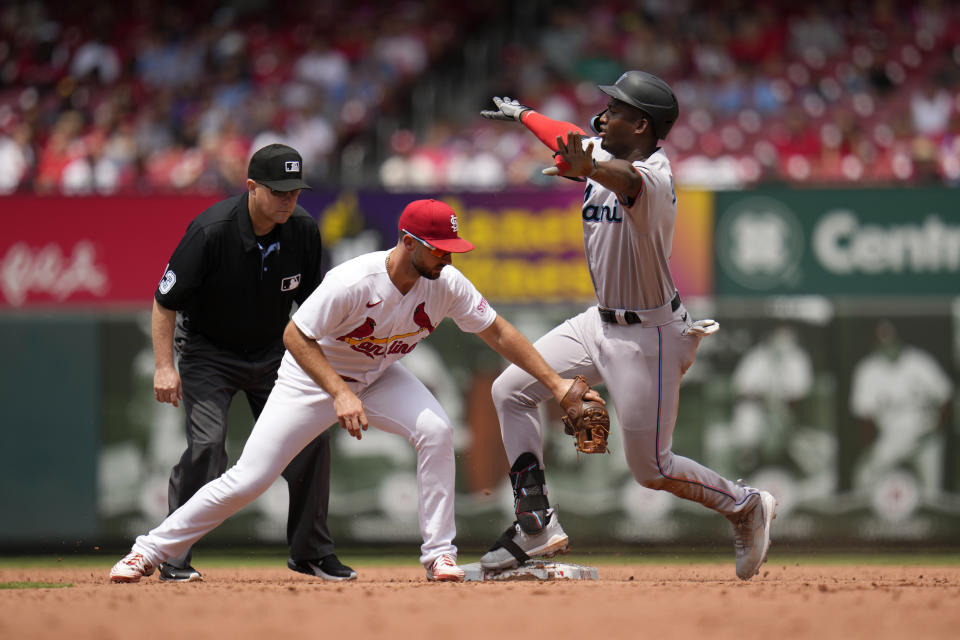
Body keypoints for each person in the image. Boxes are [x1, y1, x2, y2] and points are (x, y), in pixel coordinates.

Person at [110, 198, 602, 583]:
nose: (447, 257)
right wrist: (339, 394)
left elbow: (499, 332)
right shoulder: (354, 281)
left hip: (379, 373)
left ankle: (439, 556)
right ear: (408, 242)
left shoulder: (445, 282)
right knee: (251, 478)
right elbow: (294, 336)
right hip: (312, 379)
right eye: (438, 248)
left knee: (435, 430)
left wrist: (556, 383)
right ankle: (147, 550)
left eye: (450, 248)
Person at [478, 71, 777, 581]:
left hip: (651, 336)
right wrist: (523, 116)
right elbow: (565, 136)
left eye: (615, 107)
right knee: (511, 389)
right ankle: (536, 523)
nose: (603, 113)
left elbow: (626, 180)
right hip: (597, 322)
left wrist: (589, 163)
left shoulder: (654, 178)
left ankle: (745, 505)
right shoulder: (601, 156)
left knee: (651, 469)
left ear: (639, 124)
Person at [149, 143, 355, 582]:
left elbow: (315, 308)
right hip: (209, 353)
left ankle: (311, 552)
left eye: (294, 191)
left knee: (310, 441)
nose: (288, 200)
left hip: (274, 353)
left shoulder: (302, 229)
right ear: (252, 188)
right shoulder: (211, 231)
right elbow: (164, 302)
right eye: (278, 191)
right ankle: (172, 553)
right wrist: (165, 367)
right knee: (208, 447)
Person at [850, 320, 953, 502]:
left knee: (932, 492)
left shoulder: (920, 361)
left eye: (891, 341)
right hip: (893, 435)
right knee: (864, 476)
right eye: (882, 343)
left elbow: (946, 396)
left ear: (899, 340)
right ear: (875, 345)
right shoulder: (867, 370)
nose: (888, 347)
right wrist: (871, 449)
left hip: (926, 432)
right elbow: (863, 416)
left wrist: (938, 429)